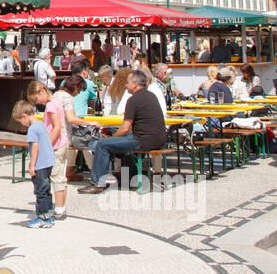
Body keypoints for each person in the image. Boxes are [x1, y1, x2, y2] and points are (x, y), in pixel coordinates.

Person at [82, 69, 166, 194]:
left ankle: (97, 183)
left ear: (135, 84)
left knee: (102, 144)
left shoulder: (133, 99)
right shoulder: (151, 95)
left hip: (142, 140)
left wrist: (112, 139)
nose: (126, 85)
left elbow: (125, 127)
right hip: (158, 139)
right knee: (114, 144)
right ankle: (126, 177)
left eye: (128, 82)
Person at [26, 80, 71, 221]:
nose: (37, 102)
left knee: (56, 177)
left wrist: (48, 145)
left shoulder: (51, 106)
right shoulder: (56, 102)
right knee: (61, 177)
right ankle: (61, 207)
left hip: (56, 145)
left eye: (36, 98)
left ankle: (58, 209)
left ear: (42, 91)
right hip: (62, 143)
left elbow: (56, 126)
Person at [12, 99, 55, 229]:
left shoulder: (32, 129)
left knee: (40, 190)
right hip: (48, 162)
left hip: (40, 163)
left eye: (21, 121)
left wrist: (32, 164)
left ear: (24, 116)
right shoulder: (41, 124)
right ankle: (48, 215)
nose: (22, 124)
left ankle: (42, 216)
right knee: (46, 190)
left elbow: (35, 146)